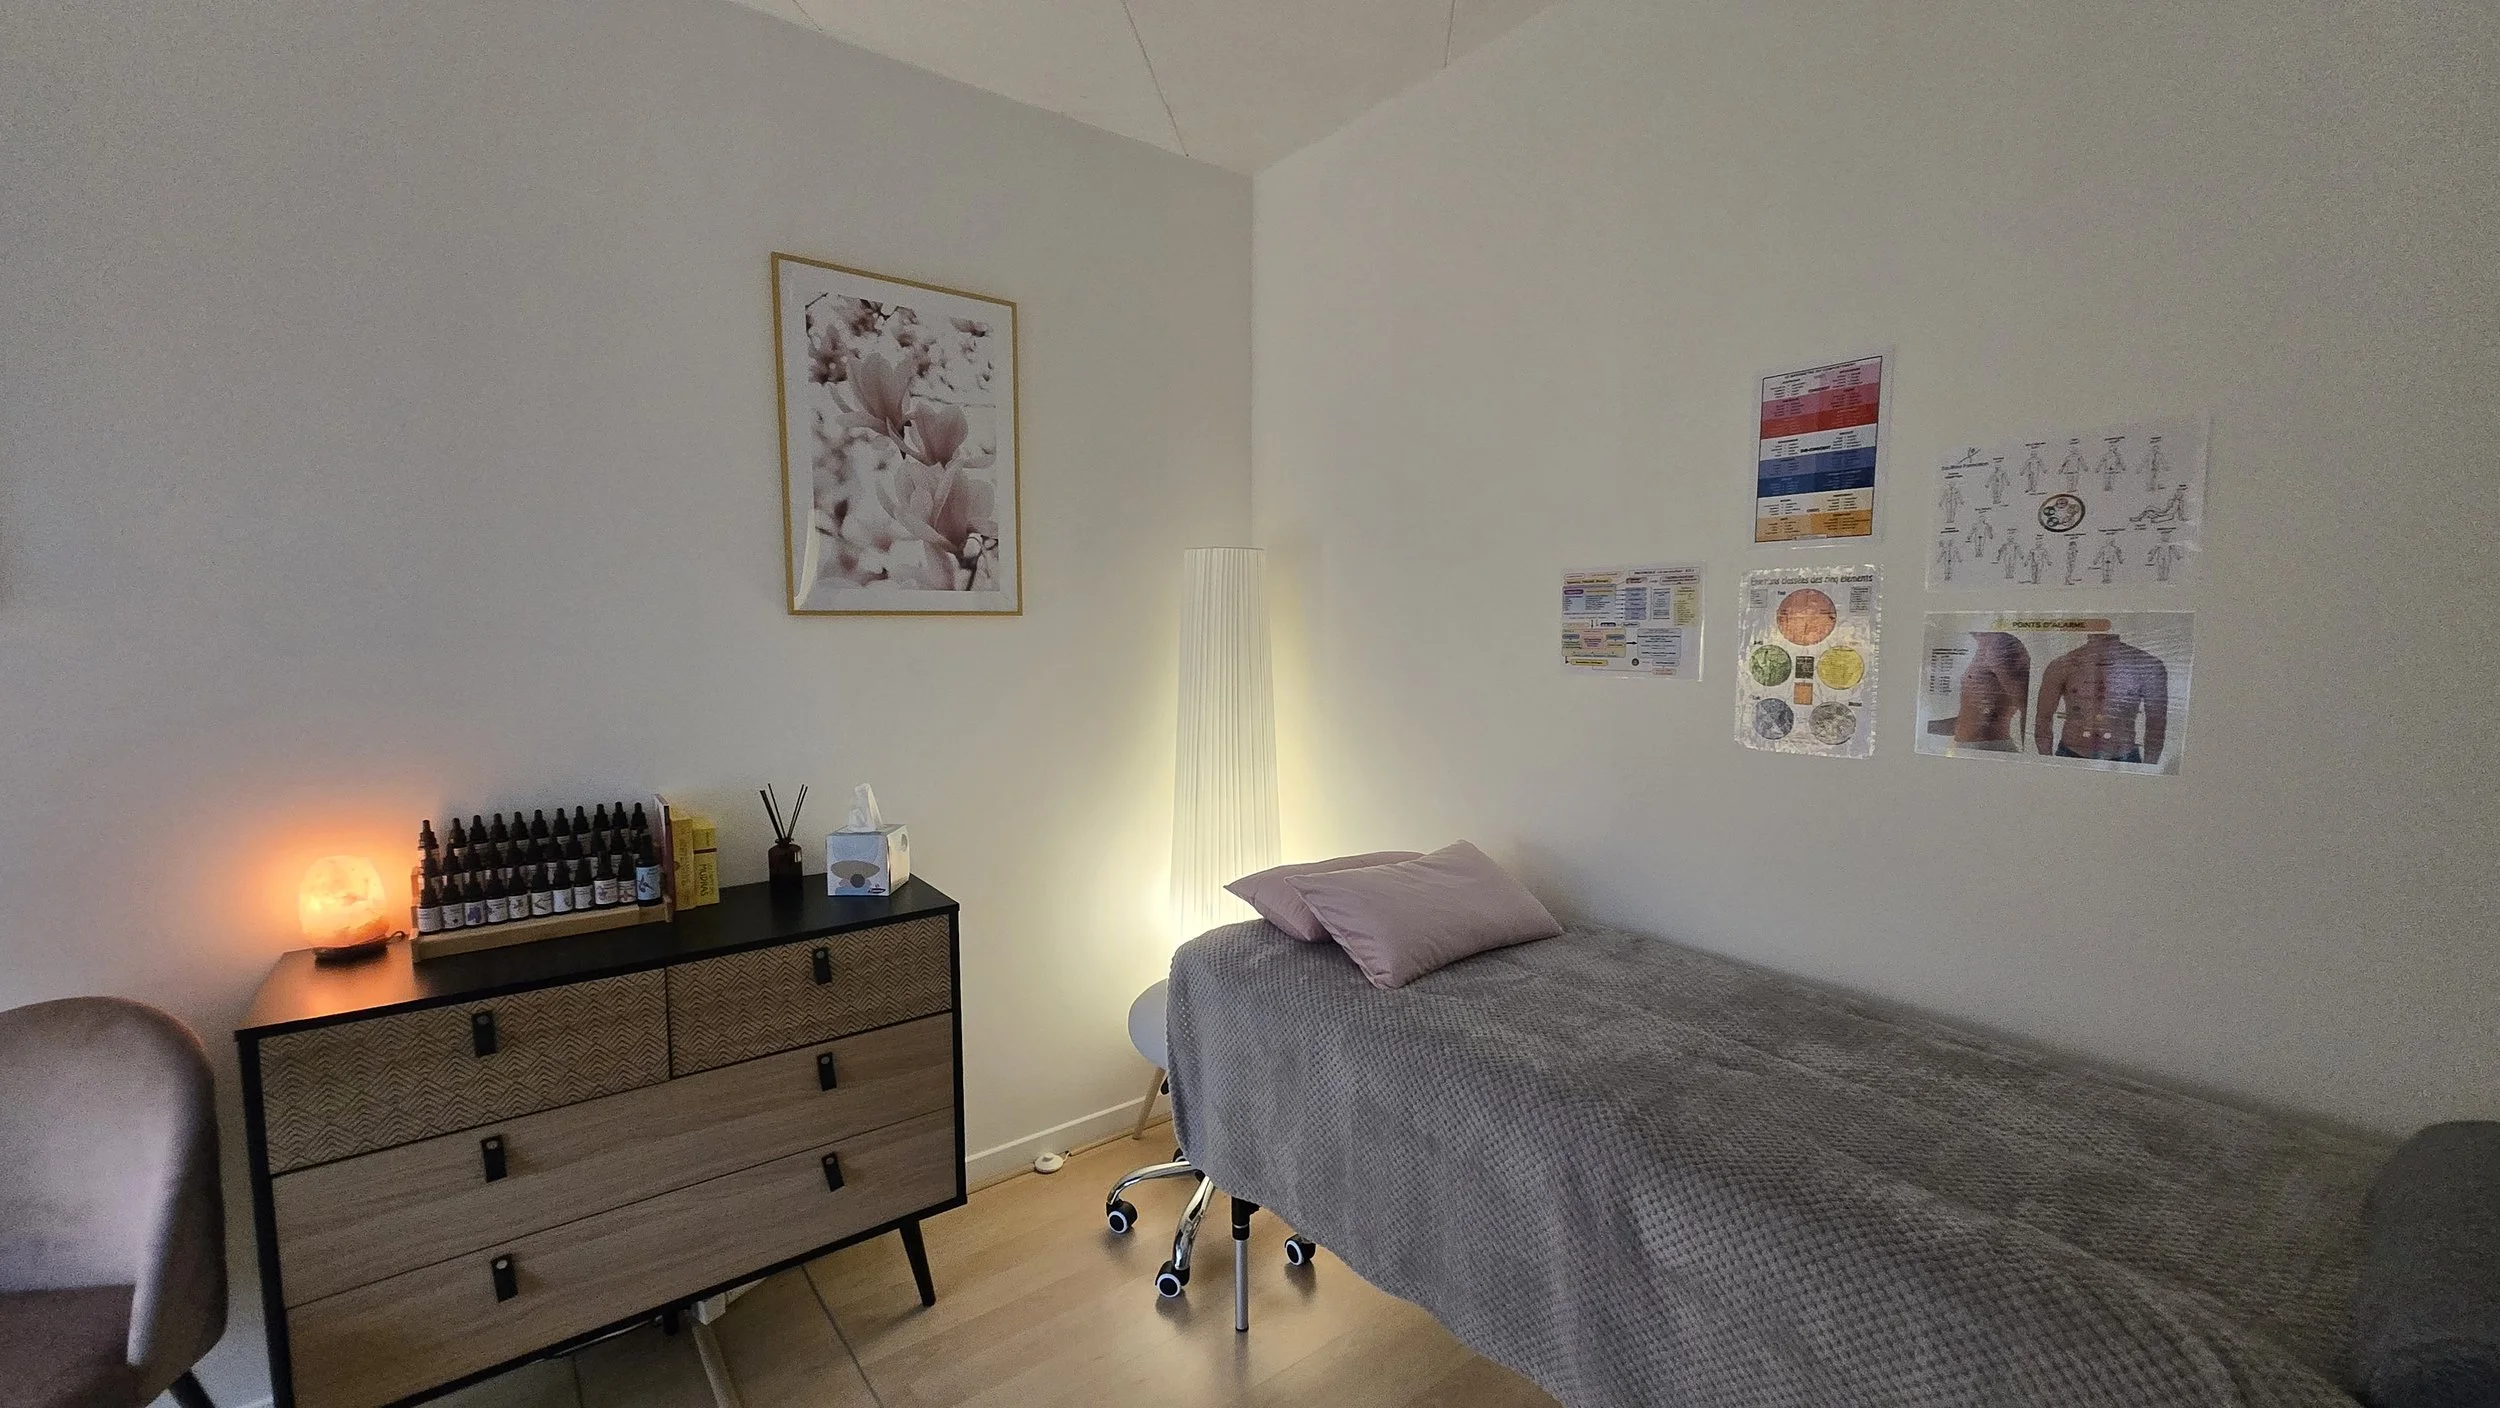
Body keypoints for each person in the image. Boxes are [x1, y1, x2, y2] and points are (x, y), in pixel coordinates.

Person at [2035, 633, 2168, 764]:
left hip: (2124, 758)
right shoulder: (2062, 666)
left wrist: (2149, 770)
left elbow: (2156, 724)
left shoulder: (2148, 666)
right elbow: (2043, 718)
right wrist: (2047, 763)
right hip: (2071, 754)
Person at [1929, 630, 2029, 751]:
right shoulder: (1976, 646)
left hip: (1991, 750)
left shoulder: (1999, 644)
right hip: (1967, 749)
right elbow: (1971, 720)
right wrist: (1919, 725)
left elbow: (2027, 709)